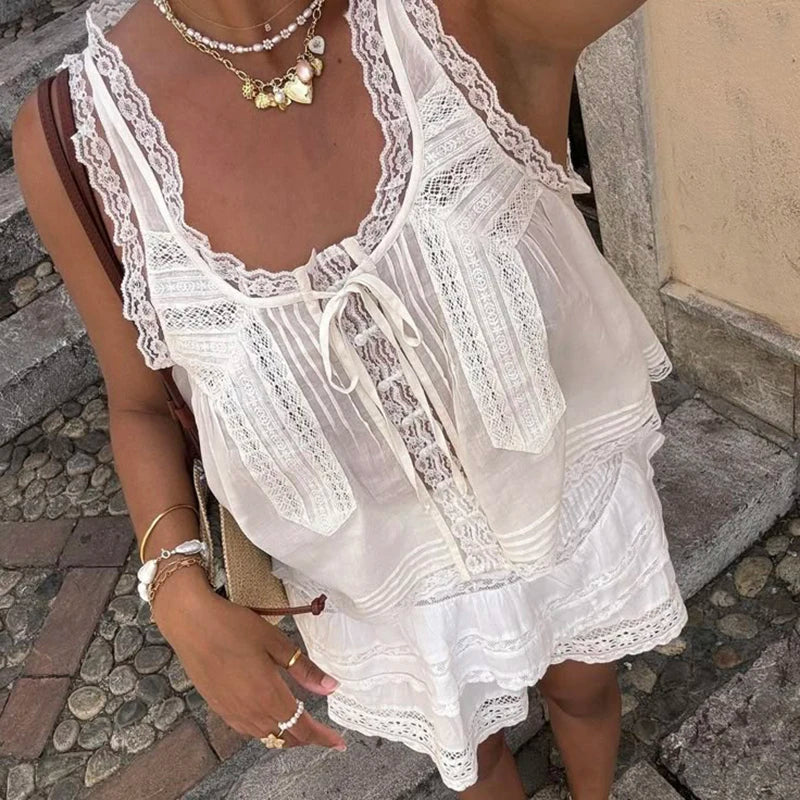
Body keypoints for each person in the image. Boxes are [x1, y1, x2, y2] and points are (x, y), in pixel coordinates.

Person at [13, 1, 688, 797]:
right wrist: (176, 589)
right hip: (384, 589)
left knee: (586, 690)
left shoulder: (450, 15)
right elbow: (140, 403)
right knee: (474, 758)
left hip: (561, 502)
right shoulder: (80, 136)